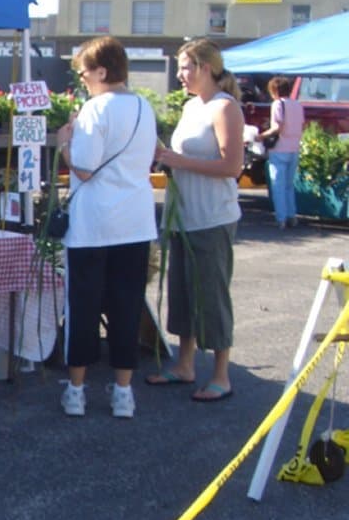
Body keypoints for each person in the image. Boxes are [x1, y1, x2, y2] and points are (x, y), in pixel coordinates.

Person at [54, 36, 158, 418]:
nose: (82, 78)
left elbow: (83, 167)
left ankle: (77, 390)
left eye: (83, 71)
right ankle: (123, 392)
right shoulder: (145, 107)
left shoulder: (95, 109)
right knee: (126, 308)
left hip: (93, 224)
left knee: (83, 306)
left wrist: (64, 143)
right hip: (135, 221)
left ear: (101, 71)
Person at [148, 39, 244, 402]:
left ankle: (221, 375)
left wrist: (178, 160)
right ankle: (185, 365)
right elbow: (183, 156)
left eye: (186, 67)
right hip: (182, 218)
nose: (181, 75)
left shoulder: (224, 108)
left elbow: (231, 167)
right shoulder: (192, 107)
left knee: (212, 296)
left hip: (212, 219)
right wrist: (164, 157)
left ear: (206, 67)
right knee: (183, 294)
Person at [255, 75, 304, 229]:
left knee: (278, 185)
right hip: (294, 148)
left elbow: (277, 127)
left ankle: (281, 218)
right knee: (289, 185)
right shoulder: (297, 105)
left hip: (279, 148)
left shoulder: (277, 104)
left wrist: (261, 136)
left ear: (274, 90)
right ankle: (292, 215)